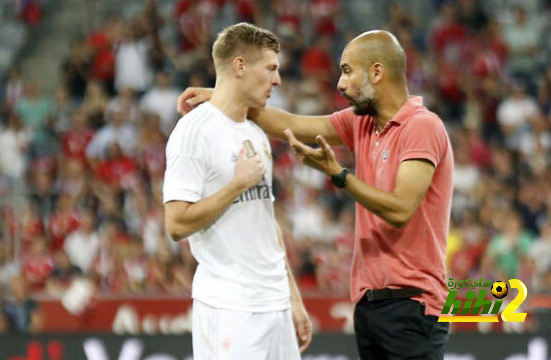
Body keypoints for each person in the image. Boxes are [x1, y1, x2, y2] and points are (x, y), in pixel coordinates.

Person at [178, 29, 454, 360]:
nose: (340, 83)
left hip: (413, 304)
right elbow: (288, 123)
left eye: (348, 71)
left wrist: (338, 174)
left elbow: (400, 209)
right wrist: (225, 94)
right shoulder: (361, 123)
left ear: (377, 72)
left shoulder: (422, 127)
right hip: (371, 306)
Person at [163, 23, 311, 360]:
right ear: (240, 66)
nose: (277, 80)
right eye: (271, 68)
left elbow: (266, 221)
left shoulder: (255, 132)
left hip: (274, 304)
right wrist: (236, 185)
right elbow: (176, 225)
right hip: (230, 308)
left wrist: (292, 296)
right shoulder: (193, 133)